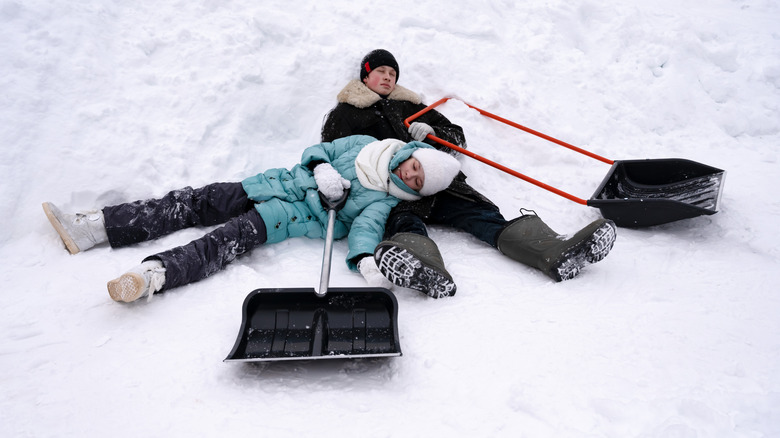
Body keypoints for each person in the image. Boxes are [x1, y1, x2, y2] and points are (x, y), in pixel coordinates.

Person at [321, 49, 617, 297]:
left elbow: (457, 137)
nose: (388, 77)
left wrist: (434, 132)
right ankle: (424, 269)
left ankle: (554, 251)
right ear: (365, 76)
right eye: (381, 71)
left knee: (481, 215)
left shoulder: (409, 105)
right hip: (391, 192)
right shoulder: (346, 112)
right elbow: (334, 153)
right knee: (405, 225)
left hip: (435, 182)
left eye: (392, 74)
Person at [42, 135, 461, 303]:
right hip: (266, 184)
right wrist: (321, 167)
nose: (409, 176)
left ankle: (151, 276)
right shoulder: (368, 144)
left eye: (417, 182)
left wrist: (366, 262)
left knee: (221, 243)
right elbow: (322, 149)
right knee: (191, 201)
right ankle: (95, 227)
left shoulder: (383, 200)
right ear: (412, 155)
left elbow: (365, 231)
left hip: (283, 216)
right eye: (415, 168)